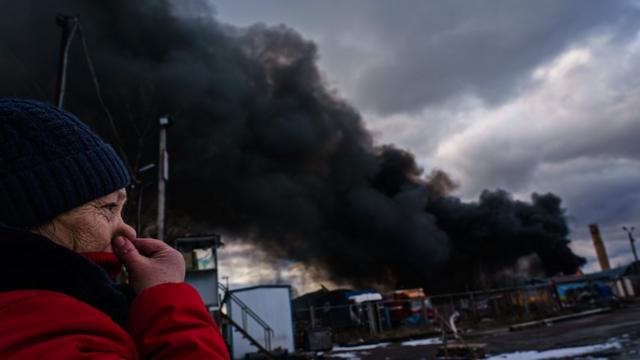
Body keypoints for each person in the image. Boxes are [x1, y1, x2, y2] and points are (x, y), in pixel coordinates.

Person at [0, 98, 230, 359]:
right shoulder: (49, 336)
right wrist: (166, 298)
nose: (128, 231)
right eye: (108, 208)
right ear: (30, 208)